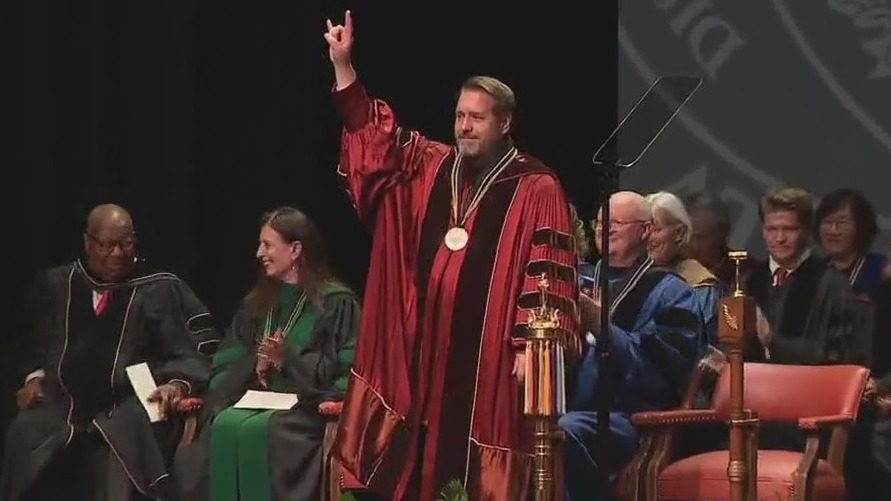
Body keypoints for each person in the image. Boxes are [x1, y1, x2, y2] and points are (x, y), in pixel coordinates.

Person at [323, 11, 580, 501]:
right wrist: (343, 67)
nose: (464, 127)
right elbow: (376, 141)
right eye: (459, 116)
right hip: (426, 350)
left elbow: (548, 271)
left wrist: (530, 345)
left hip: (491, 361)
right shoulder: (434, 166)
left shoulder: (535, 185)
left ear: (505, 123)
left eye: (476, 118)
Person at [1, 204, 216, 501]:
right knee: (24, 431)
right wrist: (33, 378)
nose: (118, 253)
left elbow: (194, 351)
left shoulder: (160, 289)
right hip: (62, 405)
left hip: (128, 409)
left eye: (126, 243)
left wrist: (175, 385)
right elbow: (33, 344)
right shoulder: (57, 285)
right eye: (107, 245)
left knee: (113, 452)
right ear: (88, 242)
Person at [174, 207, 360, 501]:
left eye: (268, 245)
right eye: (260, 244)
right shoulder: (256, 305)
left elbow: (347, 375)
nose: (259, 253)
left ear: (296, 249)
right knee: (223, 425)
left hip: (305, 412)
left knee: (266, 433)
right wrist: (255, 364)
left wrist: (290, 361)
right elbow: (224, 362)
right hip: (253, 403)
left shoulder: (336, 304)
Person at [559, 191, 704, 501]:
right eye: (599, 223)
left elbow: (658, 375)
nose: (604, 230)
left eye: (617, 223)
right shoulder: (579, 281)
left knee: (564, 431)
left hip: (628, 419)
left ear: (645, 230)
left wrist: (602, 326)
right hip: (567, 406)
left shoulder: (672, 293)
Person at [745, 188, 863, 366]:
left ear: (807, 232)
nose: (779, 238)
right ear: (763, 231)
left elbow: (839, 355)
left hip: (807, 390)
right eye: (772, 229)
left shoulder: (832, 286)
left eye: (789, 229)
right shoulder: (749, 282)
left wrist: (774, 344)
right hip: (752, 389)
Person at [646, 191, 720, 345]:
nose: (648, 238)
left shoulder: (699, 282)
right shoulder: (633, 275)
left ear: (679, 233)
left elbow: (697, 346)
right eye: (644, 230)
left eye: (656, 230)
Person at [814, 188, 888, 296]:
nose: (833, 231)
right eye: (827, 222)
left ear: (860, 227)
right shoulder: (811, 273)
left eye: (842, 222)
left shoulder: (882, 270)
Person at [682, 192, 757, 294]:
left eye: (702, 238)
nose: (694, 247)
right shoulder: (670, 274)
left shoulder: (749, 273)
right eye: (689, 238)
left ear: (724, 232)